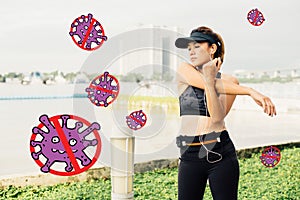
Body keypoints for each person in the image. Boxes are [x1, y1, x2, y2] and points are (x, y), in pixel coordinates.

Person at [175, 26, 276, 200]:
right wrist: (249, 91)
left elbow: (216, 119)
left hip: (220, 151)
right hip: (190, 154)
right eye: (189, 48)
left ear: (212, 49)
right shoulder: (184, 70)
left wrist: (209, 80)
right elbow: (205, 82)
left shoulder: (230, 81)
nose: (191, 51)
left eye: (197, 46)